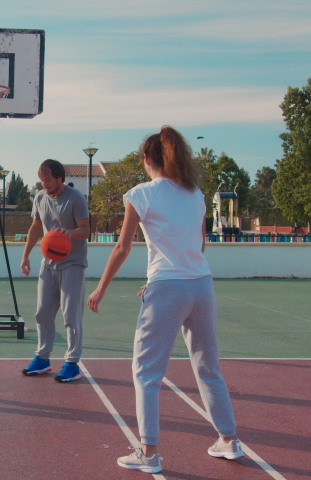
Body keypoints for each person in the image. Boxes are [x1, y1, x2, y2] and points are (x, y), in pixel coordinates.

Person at [87, 127, 242, 473]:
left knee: (146, 372)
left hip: (168, 289)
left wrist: (100, 288)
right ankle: (229, 440)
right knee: (208, 367)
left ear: (146, 159)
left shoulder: (140, 194)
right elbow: (199, 246)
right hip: (201, 286)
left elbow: (122, 247)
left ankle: (149, 453)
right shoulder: (195, 193)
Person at [20, 159, 90, 382]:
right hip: (48, 264)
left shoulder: (75, 197)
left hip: (73, 264)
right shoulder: (40, 197)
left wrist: (68, 233)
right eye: (42, 179)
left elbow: (86, 230)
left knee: (71, 316)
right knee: (43, 313)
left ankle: (72, 363)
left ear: (60, 178)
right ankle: (42, 358)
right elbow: (35, 227)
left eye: (48, 179)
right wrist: (25, 255)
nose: (44, 183)